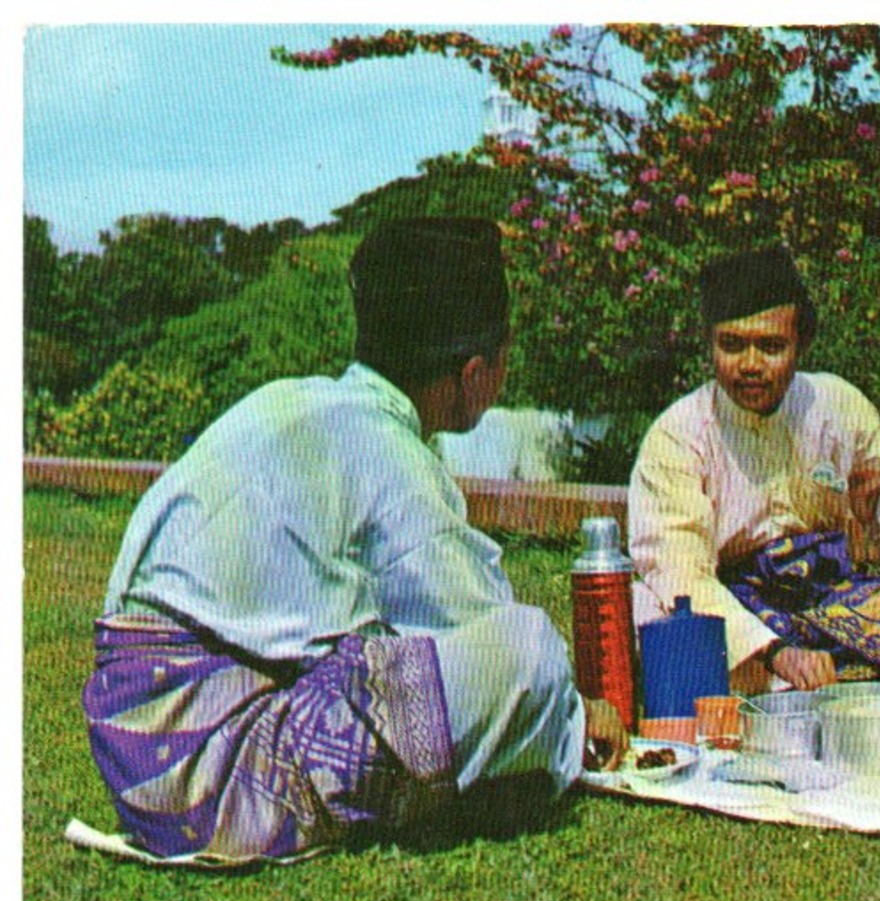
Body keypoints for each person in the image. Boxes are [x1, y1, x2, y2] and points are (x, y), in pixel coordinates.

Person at [81, 218, 627, 862]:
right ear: (476, 371)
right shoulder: (391, 453)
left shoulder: (285, 402)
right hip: (210, 777)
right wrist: (576, 710)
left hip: (130, 742)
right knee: (528, 651)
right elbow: (477, 630)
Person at [629, 246, 880, 694]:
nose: (750, 365)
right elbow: (681, 574)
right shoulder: (676, 436)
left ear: (801, 344)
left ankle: (807, 681)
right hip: (735, 617)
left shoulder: (836, 404)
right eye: (732, 345)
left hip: (831, 606)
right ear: (711, 343)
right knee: (646, 611)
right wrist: (775, 652)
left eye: (771, 347)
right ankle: (828, 678)